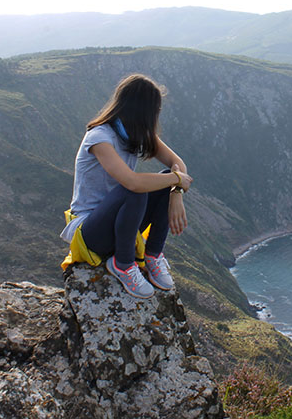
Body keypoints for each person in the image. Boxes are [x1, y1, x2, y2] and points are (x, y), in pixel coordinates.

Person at [61, 74, 193, 298]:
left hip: (121, 223)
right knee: (136, 189)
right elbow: (132, 182)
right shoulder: (99, 138)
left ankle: (152, 255)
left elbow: (176, 163)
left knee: (159, 183)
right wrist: (176, 179)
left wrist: (176, 192)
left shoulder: (137, 135)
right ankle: (123, 264)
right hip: (91, 232)